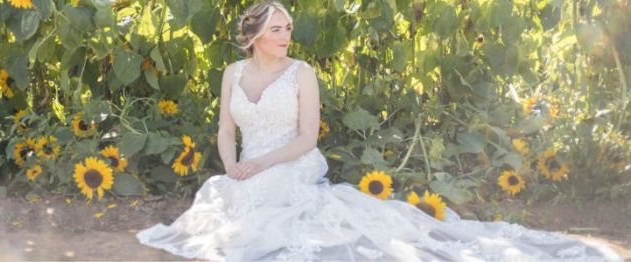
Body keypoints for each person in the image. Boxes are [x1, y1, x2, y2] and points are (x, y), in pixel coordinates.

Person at [137, 1, 621, 261]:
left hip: (290, 161)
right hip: (246, 165)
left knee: (269, 215)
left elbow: (307, 138)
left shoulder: (302, 72)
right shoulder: (231, 74)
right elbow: (225, 128)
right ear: (256, 36)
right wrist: (232, 165)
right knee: (224, 200)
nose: (288, 36)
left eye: (289, 28)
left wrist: (260, 164)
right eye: (279, 29)